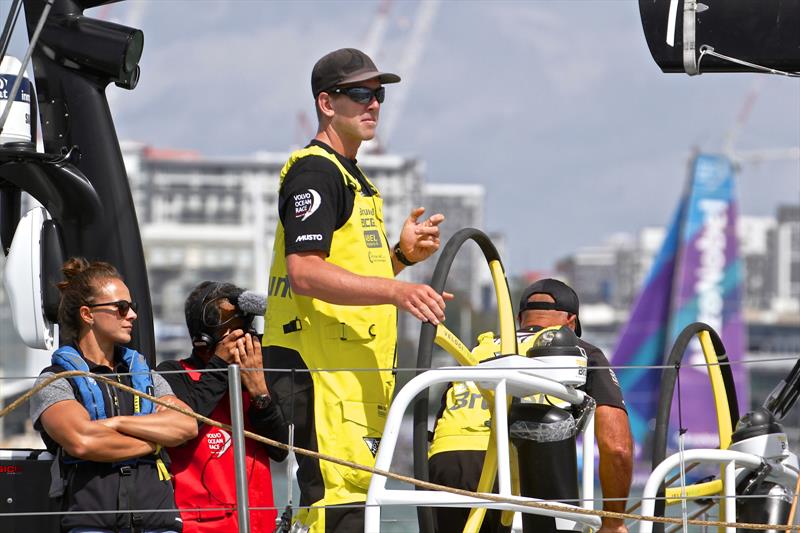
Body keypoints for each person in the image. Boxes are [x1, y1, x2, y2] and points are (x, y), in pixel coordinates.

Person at [262, 47, 451, 532]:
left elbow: (344, 271)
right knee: (336, 502)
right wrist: (397, 292)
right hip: (321, 371)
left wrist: (401, 259)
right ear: (327, 103)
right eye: (360, 94)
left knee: (353, 497)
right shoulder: (316, 172)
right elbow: (304, 272)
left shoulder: (351, 177)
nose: (374, 105)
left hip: (349, 372)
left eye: (379, 94)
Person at [429, 278, 633, 533]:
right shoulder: (578, 352)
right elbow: (617, 447)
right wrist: (614, 523)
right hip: (517, 463)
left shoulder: (478, 350)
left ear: (518, 319)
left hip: (446, 461)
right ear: (571, 322)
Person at [29, 257, 198, 533]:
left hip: (159, 523)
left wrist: (116, 425)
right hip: (92, 523)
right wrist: (155, 442)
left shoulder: (147, 377)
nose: (132, 315)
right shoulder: (56, 381)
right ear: (87, 314)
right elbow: (82, 441)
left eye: (132, 307)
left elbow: (186, 424)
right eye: (121, 308)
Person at [157, 281, 288, 533]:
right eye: (238, 334)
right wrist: (219, 367)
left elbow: (280, 451)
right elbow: (183, 429)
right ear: (204, 341)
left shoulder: (253, 379)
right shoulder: (173, 374)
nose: (247, 342)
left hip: (258, 525)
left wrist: (260, 392)